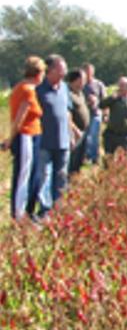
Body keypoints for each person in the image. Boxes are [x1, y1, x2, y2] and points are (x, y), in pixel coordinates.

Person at [3, 57, 45, 220]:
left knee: (31, 174)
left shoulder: (27, 88)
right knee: (23, 175)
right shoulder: (26, 90)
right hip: (25, 135)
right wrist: (10, 139)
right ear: (38, 73)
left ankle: (27, 211)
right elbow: (19, 118)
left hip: (33, 134)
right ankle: (18, 214)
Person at [34, 54, 70, 216]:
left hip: (63, 140)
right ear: (51, 70)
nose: (64, 72)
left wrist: (72, 132)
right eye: (61, 69)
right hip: (44, 141)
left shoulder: (64, 88)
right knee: (44, 176)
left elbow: (66, 112)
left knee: (61, 175)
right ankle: (45, 208)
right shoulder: (39, 89)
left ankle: (59, 206)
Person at [66, 69, 90, 175]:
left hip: (83, 131)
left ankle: (75, 180)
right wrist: (75, 130)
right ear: (75, 80)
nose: (84, 83)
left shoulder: (80, 93)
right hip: (74, 132)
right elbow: (67, 115)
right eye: (82, 80)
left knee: (79, 159)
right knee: (72, 160)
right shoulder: (68, 94)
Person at [81, 63, 106, 164]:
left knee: (94, 135)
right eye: (86, 72)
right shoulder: (80, 84)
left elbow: (104, 99)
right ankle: (84, 156)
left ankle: (94, 157)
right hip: (83, 114)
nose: (88, 74)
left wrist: (105, 113)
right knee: (84, 136)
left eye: (89, 72)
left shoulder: (98, 84)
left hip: (96, 113)